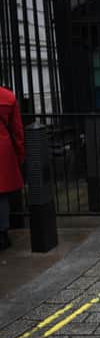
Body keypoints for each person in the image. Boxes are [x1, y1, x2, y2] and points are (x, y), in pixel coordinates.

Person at [0, 86, 25, 250]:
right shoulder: (8, 97)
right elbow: (17, 131)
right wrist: (20, 155)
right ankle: (2, 233)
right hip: (3, 150)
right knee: (1, 195)